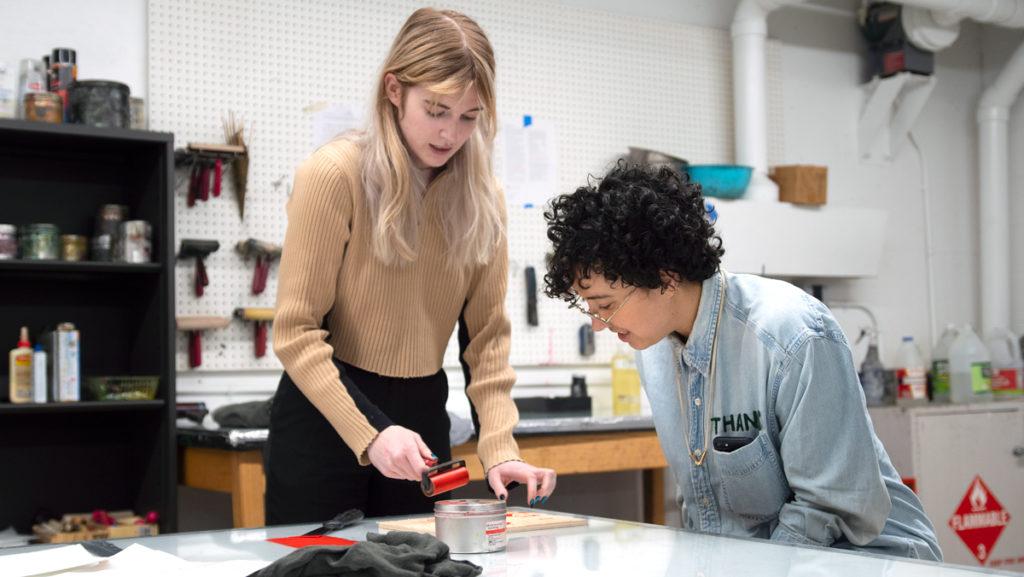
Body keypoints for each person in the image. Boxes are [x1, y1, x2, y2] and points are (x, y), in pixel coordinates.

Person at [542, 162, 940, 560]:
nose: (597, 325)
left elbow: (831, 509)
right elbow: (705, 507)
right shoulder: (654, 352)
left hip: (866, 561)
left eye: (605, 306)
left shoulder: (791, 334)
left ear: (664, 278)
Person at [267, 7, 556, 524]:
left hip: (422, 415)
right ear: (394, 90)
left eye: (469, 117)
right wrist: (372, 433)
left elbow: (486, 341)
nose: (450, 134)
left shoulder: (483, 197)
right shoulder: (335, 174)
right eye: (437, 110)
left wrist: (501, 447)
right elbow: (295, 332)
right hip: (325, 415)